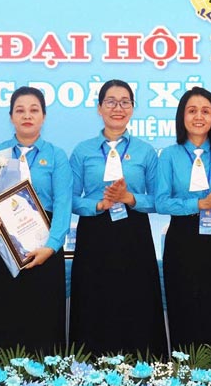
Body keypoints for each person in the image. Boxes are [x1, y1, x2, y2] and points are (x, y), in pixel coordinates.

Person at [69, 79, 167, 358]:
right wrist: (99, 203)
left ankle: (143, 370)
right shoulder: (82, 150)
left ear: (133, 109)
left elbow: (159, 199)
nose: (118, 108)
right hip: (94, 235)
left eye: (125, 102)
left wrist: (130, 198)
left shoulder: (146, 151)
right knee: (94, 303)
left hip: (133, 235)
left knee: (137, 305)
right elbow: (72, 199)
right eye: (110, 101)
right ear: (99, 108)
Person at [0, 87, 72, 355]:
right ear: (11, 117)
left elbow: (64, 206)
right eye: (20, 110)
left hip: (45, 249)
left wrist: (51, 247)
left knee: (44, 326)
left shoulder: (56, 156)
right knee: (6, 323)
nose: (27, 115)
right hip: (4, 247)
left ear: (43, 116)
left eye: (34, 110)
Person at [156, 86, 211, 351]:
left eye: (205, 111)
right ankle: (183, 378)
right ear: (182, 117)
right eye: (192, 110)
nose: (198, 116)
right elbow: (161, 201)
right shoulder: (169, 155)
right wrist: (200, 203)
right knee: (183, 307)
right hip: (181, 238)